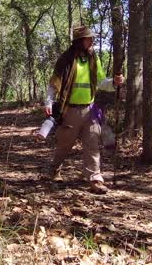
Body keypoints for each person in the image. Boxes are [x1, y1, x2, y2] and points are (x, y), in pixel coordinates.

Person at [44, 26, 124, 194]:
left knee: (92, 143)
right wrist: (49, 101)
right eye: (88, 38)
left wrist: (114, 82)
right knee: (65, 145)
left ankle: (95, 179)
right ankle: (54, 169)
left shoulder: (94, 58)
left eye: (91, 38)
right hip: (70, 110)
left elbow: (101, 82)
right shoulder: (66, 59)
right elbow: (55, 83)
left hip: (90, 109)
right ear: (79, 41)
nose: (92, 41)